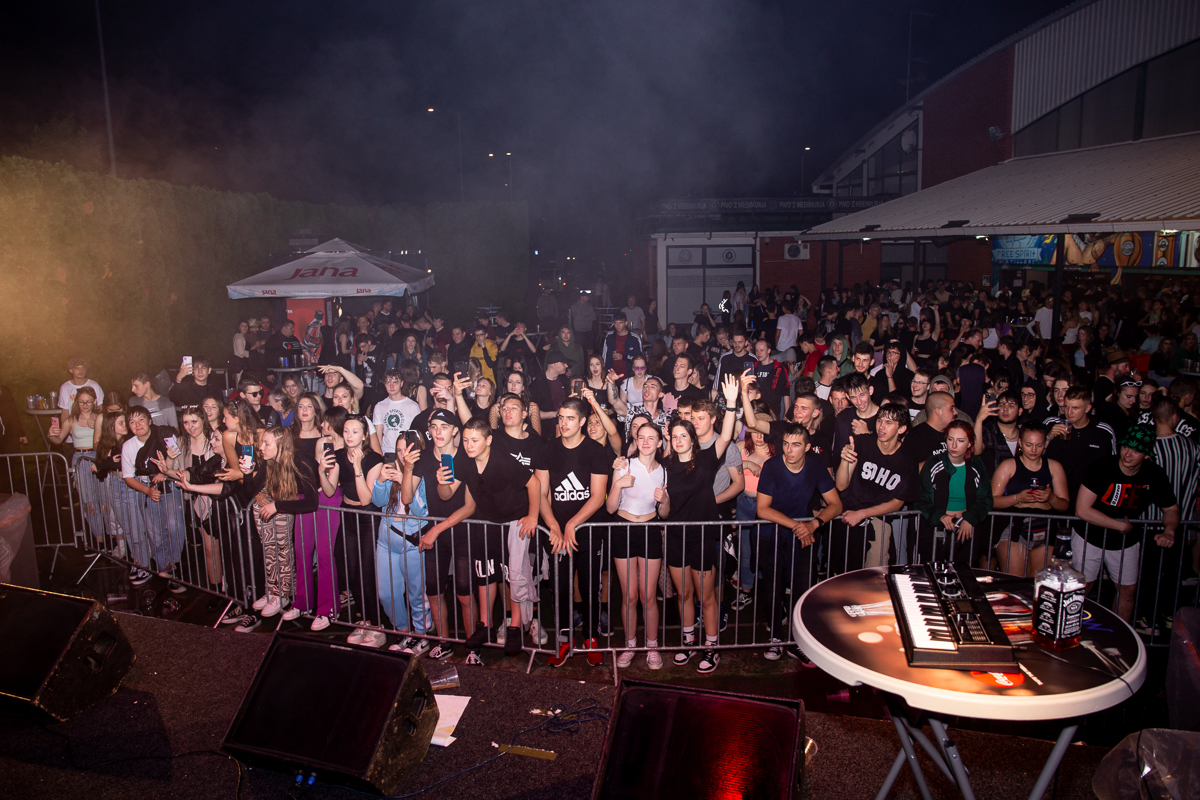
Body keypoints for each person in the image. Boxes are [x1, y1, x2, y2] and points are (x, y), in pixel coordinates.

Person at [656, 374, 738, 673]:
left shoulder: (706, 460)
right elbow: (664, 511)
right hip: (676, 536)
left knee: (707, 596)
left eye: (683, 435)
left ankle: (711, 647)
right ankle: (688, 641)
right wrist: (663, 501)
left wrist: (731, 404)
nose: (679, 440)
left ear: (692, 438)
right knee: (684, 594)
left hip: (703, 535)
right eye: (674, 436)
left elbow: (725, 437)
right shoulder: (666, 466)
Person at [452, 417, 541, 663]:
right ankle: (485, 625)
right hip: (486, 521)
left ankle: (515, 627)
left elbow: (534, 484)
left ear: (489, 440)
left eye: (475, 440)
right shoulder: (465, 461)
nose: (469, 445)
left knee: (514, 573)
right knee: (485, 572)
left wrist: (533, 516)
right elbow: (447, 492)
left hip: (513, 521)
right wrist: (442, 482)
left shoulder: (503, 460)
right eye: (466, 440)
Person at [1072, 425, 1180, 622]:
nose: (1128, 453)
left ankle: (1119, 634)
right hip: (1089, 535)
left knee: (1128, 591)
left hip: (1125, 542)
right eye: (1125, 447)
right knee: (1082, 588)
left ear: (1147, 455)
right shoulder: (1102, 466)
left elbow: (1171, 509)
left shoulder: (1154, 474)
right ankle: (1070, 628)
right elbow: (1082, 510)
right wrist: (1119, 525)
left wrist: (1170, 530)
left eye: (1136, 450)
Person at [535, 398, 612, 667]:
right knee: (560, 589)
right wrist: (554, 526)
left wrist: (572, 524)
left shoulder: (595, 450)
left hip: (588, 531)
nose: (563, 423)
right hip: (557, 534)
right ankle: (564, 639)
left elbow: (597, 497)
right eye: (560, 417)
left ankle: (591, 639)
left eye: (570, 418)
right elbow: (541, 493)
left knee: (590, 588)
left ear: (581, 421)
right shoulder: (548, 449)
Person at [755, 424, 842, 661]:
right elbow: (762, 509)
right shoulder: (772, 466)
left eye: (795, 444)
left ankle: (797, 641)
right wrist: (799, 526)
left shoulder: (815, 466)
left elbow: (836, 504)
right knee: (773, 587)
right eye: (785, 444)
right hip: (772, 533)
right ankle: (775, 638)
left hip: (803, 535)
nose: (789, 450)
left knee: (802, 588)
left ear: (807, 447)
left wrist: (814, 524)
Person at [413, 409, 483, 659]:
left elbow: (469, 507)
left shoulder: (466, 458)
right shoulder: (423, 457)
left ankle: (473, 647)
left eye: (444, 426)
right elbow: (407, 497)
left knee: (464, 594)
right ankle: (444, 643)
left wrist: (435, 529)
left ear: (455, 431)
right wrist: (407, 467)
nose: (438, 431)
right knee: (433, 592)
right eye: (433, 426)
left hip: (462, 533)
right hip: (437, 535)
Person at [606, 421, 667, 669]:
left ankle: (652, 647)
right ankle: (630, 645)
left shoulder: (664, 471)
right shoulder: (624, 465)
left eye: (651, 438)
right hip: (624, 529)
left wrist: (665, 500)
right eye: (641, 437)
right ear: (636, 440)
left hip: (651, 530)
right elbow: (611, 508)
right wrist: (617, 485)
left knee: (649, 596)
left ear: (660, 442)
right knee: (630, 596)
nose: (645, 442)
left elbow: (664, 513)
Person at [833, 402, 918, 573]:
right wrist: (844, 460)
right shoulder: (862, 442)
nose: (881, 426)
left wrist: (863, 513)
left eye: (889, 422)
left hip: (879, 519)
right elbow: (841, 485)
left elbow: (897, 503)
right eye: (880, 420)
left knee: (874, 574)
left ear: (901, 429)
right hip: (849, 513)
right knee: (843, 573)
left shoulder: (908, 460)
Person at [371, 434, 432, 653]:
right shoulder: (391, 469)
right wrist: (380, 480)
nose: (402, 454)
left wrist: (405, 480)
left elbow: (421, 512)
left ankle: (421, 635)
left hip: (412, 540)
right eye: (399, 450)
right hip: (386, 539)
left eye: (406, 450)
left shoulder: (422, 472)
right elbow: (377, 501)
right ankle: (404, 632)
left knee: (417, 593)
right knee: (386, 594)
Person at [990, 422, 1070, 576]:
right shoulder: (1008, 466)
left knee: (1037, 582)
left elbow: (1064, 505)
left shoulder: (1054, 466)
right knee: (1015, 580)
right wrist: (1017, 498)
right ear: (1020, 442)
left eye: (1039, 445)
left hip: (1045, 525)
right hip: (1015, 525)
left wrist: (1051, 497)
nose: (1034, 450)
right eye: (1029, 445)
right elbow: (992, 501)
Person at [121, 406, 186, 592]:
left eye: (141, 419)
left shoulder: (165, 435)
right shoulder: (128, 446)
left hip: (170, 486)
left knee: (174, 526)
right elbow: (128, 477)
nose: (137, 425)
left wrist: (165, 473)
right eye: (132, 422)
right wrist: (147, 491)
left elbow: (177, 460)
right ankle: (165, 567)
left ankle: (174, 564)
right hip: (147, 488)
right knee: (154, 531)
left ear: (150, 420)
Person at [912, 421, 993, 564]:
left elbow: (985, 498)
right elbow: (920, 498)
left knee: (963, 572)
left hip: (965, 528)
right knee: (931, 571)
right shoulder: (933, 462)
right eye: (950, 439)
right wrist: (939, 515)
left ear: (970, 443)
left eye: (960, 441)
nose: (954, 445)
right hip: (936, 528)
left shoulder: (976, 464)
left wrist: (970, 518)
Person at [47, 388, 104, 541]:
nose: (85, 405)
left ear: (94, 401)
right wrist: (51, 435)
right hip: (80, 458)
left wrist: (98, 426)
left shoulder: (101, 417)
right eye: (81, 402)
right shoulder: (72, 420)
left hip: (99, 457)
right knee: (88, 501)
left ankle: (113, 538)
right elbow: (58, 439)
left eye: (88, 402)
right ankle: (99, 539)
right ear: (76, 402)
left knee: (104, 499)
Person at [370, 366, 421, 455]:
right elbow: (378, 436)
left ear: (401, 383)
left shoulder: (413, 406)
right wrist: (378, 456)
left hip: (405, 451)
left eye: (395, 382)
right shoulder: (379, 406)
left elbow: (417, 434)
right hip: (387, 452)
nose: (391, 386)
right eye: (388, 382)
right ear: (384, 384)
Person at [57, 357, 104, 423]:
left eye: (83, 368)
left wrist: (97, 423)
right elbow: (65, 411)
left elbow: (100, 407)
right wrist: (65, 427)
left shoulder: (94, 385)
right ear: (71, 370)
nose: (81, 371)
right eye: (77, 368)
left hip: (91, 423)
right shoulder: (65, 387)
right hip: (74, 424)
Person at [752, 339, 790, 419]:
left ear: (769, 351)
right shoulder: (753, 367)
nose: (759, 353)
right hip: (756, 409)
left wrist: (787, 413)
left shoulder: (779, 368)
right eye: (757, 350)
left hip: (773, 410)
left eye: (762, 350)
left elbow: (786, 392)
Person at [602, 313, 643, 381]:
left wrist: (623, 357)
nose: (618, 325)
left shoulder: (634, 338)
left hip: (629, 376)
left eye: (620, 323)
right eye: (616, 323)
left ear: (626, 323)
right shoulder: (609, 336)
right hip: (612, 376)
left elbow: (640, 359)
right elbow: (604, 356)